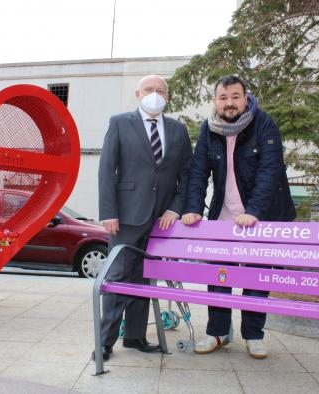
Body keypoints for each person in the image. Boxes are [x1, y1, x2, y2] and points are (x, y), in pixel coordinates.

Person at [181, 75, 296, 359]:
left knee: (257, 276)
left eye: (235, 96)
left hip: (262, 215)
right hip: (224, 215)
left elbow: (270, 170)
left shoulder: (263, 123)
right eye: (223, 97)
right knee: (219, 275)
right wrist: (193, 207)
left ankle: (254, 335)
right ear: (215, 101)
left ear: (245, 98)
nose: (229, 103)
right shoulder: (209, 129)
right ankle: (218, 332)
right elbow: (198, 171)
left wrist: (253, 211)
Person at [95, 75, 193, 361]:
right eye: (149, 90)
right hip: (124, 217)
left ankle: (135, 337)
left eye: (160, 91)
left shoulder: (178, 130)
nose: (155, 94)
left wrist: (175, 208)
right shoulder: (119, 123)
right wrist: (108, 212)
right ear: (138, 94)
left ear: (168, 97)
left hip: (161, 219)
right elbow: (106, 170)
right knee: (117, 278)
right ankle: (105, 342)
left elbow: (186, 174)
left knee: (143, 279)